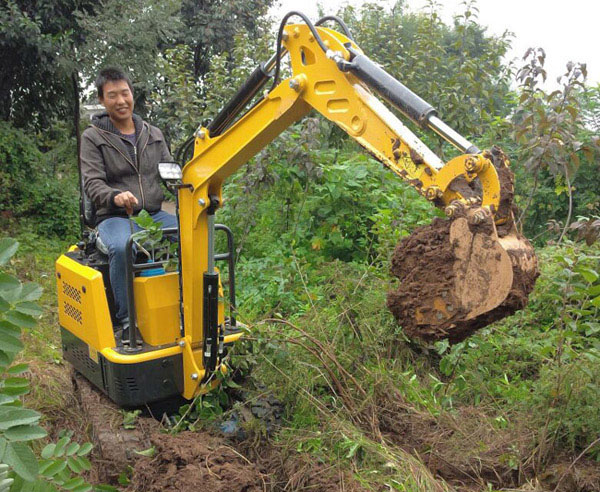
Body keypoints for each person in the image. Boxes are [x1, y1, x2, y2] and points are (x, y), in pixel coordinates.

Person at [81, 67, 177, 341]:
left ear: (132, 94)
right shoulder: (94, 137)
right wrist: (115, 196)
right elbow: (93, 182)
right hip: (114, 216)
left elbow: (171, 172)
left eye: (125, 93)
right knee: (123, 247)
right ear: (102, 100)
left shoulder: (153, 133)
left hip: (153, 214)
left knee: (191, 235)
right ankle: (126, 321)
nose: (121, 101)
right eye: (113, 96)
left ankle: (185, 305)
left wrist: (194, 188)